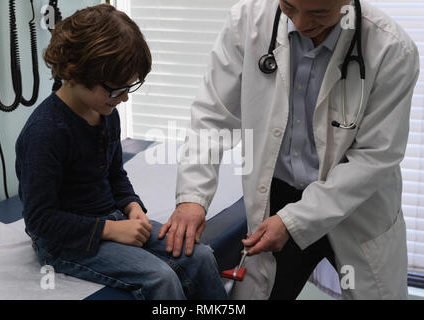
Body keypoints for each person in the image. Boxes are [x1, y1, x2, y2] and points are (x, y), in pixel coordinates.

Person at [159, 0, 420, 299]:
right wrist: (192, 197)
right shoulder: (248, 21)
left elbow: (375, 157)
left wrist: (295, 221)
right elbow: (212, 117)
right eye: (288, 6)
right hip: (277, 200)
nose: (299, 21)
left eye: (318, 12)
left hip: (354, 206)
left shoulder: (391, 48)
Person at [15, 4, 227, 300]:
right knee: (161, 277)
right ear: (76, 73)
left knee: (200, 257)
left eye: (131, 87)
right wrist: (111, 231)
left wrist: (132, 207)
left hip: (112, 218)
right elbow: (40, 221)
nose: (125, 98)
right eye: (116, 89)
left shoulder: (105, 112)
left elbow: (114, 174)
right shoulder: (45, 133)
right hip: (63, 241)